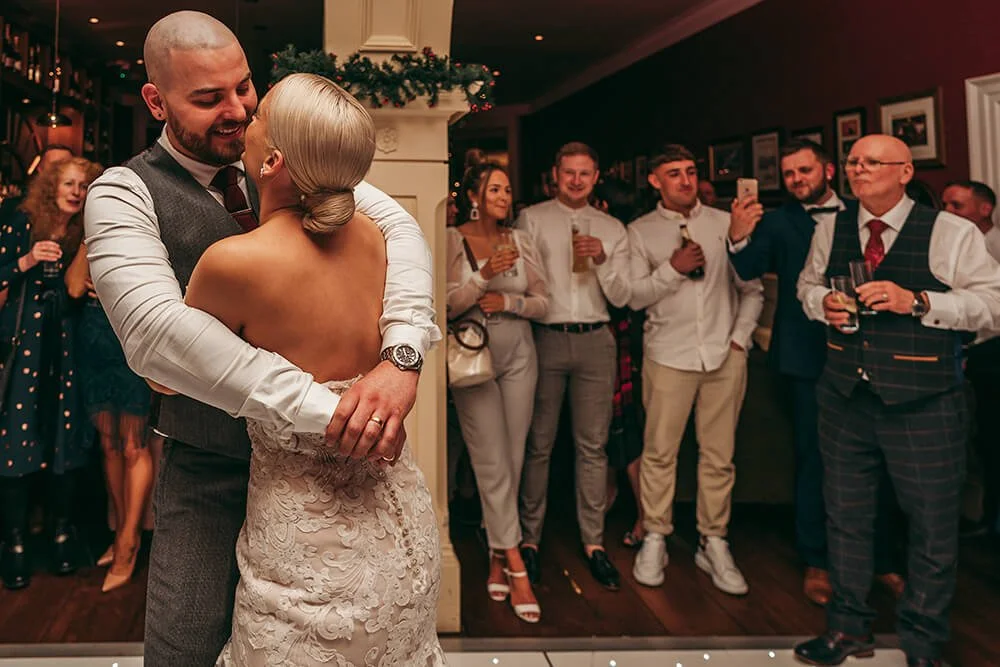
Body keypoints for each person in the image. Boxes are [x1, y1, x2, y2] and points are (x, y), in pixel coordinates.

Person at [84, 12, 438, 666]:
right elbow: (156, 336)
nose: (239, 110)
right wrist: (329, 411)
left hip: (334, 491)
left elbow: (404, 232)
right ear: (157, 101)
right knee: (182, 649)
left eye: (245, 88)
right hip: (209, 471)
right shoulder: (122, 192)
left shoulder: (302, 161)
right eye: (209, 98)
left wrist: (404, 354)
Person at [795, 135, 1000, 667]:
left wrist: (921, 301)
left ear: (905, 171)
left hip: (925, 399)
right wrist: (824, 305)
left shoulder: (951, 232)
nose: (858, 169)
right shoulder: (830, 228)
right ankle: (847, 630)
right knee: (846, 516)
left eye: (872, 162)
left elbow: (992, 305)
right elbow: (806, 286)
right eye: (853, 162)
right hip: (844, 395)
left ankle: (924, 642)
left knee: (931, 523)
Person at [728, 138, 904, 605]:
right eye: (788, 174)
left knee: (881, 459)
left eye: (803, 171)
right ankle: (817, 560)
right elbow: (747, 270)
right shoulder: (780, 221)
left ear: (827, 170)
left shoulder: (865, 214)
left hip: (872, 356)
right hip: (806, 359)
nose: (795, 180)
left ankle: (883, 559)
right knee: (815, 459)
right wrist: (738, 234)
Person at [627, 144, 763, 595]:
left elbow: (752, 289)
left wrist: (740, 340)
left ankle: (714, 540)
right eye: (674, 174)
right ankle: (656, 536)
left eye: (689, 172)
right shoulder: (640, 232)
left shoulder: (726, 224)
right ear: (655, 181)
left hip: (724, 356)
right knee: (660, 453)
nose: (685, 180)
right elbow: (632, 296)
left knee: (719, 456)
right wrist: (672, 268)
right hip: (668, 355)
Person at [516, 141, 631, 591]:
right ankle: (529, 541)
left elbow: (621, 298)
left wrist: (601, 259)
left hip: (596, 339)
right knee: (539, 442)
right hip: (545, 337)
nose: (577, 181)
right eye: (569, 173)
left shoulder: (614, 229)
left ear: (596, 176)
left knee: (593, 447)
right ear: (555, 174)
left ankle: (594, 544)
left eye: (585, 173)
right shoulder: (533, 218)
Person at [447, 162, 548, 623]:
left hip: (520, 354)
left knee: (512, 457)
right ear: (474, 193)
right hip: (474, 356)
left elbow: (546, 304)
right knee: (489, 461)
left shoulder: (523, 241)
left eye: (508, 189)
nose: (504, 196)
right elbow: (445, 304)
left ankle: (495, 553)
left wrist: (510, 301)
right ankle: (516, 563)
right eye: (495, 188)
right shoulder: (451, 238)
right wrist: (485, 274)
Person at [0, 156, 101, 590]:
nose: (76, 192)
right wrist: (25, 261)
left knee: (65, 432)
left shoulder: (87, 232)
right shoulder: (22, 222)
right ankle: (15, 543)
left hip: (68, 343)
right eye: (69, 183)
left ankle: (62, 532)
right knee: (17, 434)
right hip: (24, 344)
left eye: (83, 185)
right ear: (50, 187)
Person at [65, 239, 154, 593]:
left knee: (134, 445)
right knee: (109, 446)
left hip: (130, 333)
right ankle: (120, 534)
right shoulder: (93, 234)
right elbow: (73, 286)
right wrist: (89, 237)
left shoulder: (144, 230)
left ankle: (129, 542)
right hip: (95, 336)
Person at [942, 180, 1000, 536]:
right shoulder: (949, 247)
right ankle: (987, 518)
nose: (947, 213)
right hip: (968, 355)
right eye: (945, 205)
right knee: (981, 440)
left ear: (984, 210)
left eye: (957, 206)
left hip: (994, 352)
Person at [593, 178, 646, 546]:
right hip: (625, 338)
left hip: (620, 337)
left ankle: (643, 513)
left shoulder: (620, 240)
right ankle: (613, 497)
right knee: (615, 423)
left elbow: (623, 296)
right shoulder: (631, 234)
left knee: (623, 424)